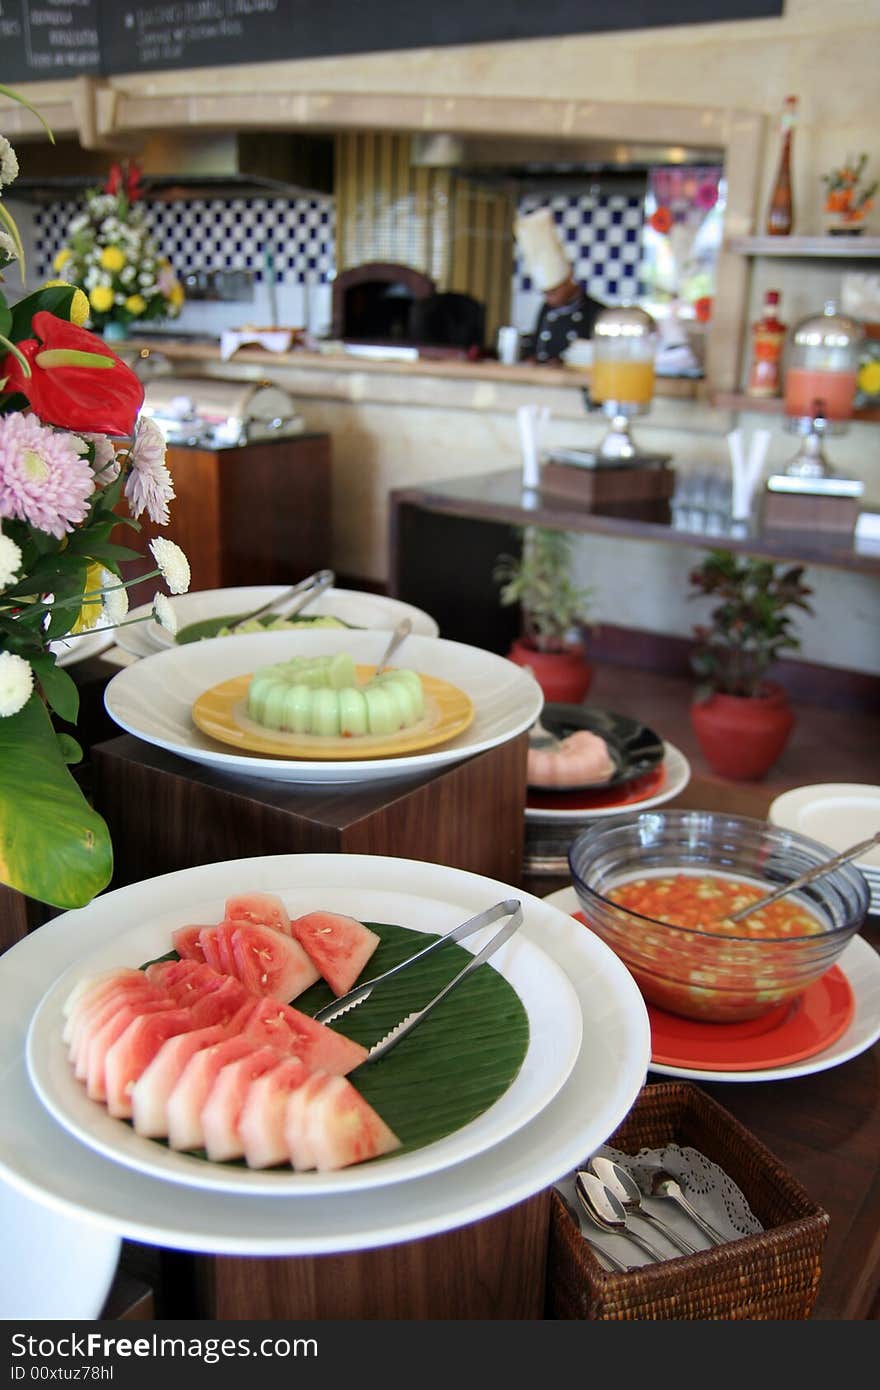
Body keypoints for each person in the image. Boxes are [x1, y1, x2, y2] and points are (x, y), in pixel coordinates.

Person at [514, 207, 606, 364]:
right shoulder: (546, 309)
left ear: (569, 280)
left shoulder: (597, 312)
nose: (550, 300)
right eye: (546, 294)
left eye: (554, 292)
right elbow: (537, 345)